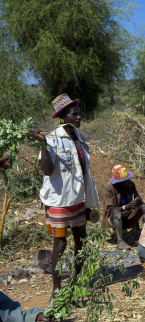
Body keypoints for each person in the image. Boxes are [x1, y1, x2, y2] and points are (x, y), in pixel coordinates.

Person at [28, 94, 100, 299]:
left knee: (82, 242)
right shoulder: (52, 138)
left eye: (79, 113)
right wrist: (43, 144)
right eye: (74, 114)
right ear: (62, 116)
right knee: (60, 244)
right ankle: (56, 288)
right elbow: (48, 171)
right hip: (59, 201)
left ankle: (77, 282)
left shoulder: (79, 138)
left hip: (77, 199)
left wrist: (88, 202)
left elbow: (84, 172)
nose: (79, 117)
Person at [101, 164, 145, 250]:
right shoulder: (108, 187)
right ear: (117, 182)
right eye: (124, 181)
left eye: (127, 180)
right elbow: (110, 208)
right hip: (114, 218)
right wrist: (126, 207)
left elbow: (139, 199)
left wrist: (138, 201)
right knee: (116, 212)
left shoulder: (130, 184)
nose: (126, 182)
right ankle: (120, 241)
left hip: (129, 216)